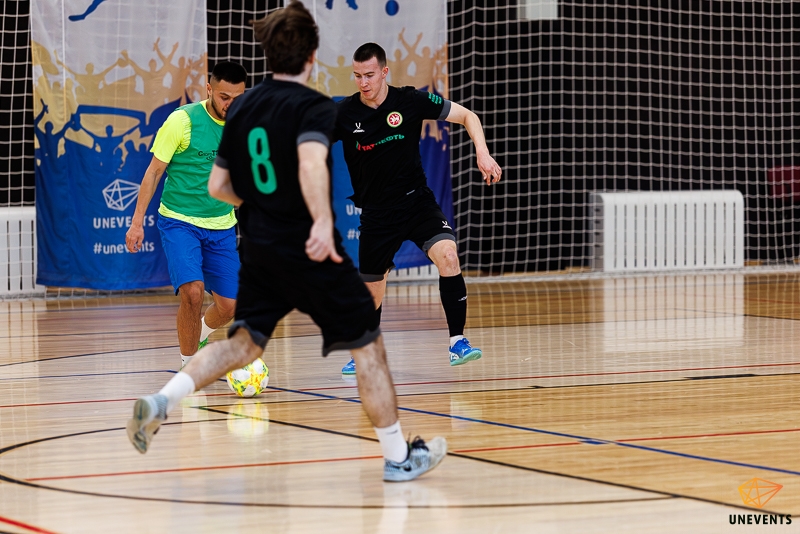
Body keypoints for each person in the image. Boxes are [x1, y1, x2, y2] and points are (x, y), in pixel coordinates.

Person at [126, 0, 446, 483]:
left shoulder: (243, 108)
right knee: (368, 346)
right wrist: (319, 221)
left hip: (261, 248)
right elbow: (313, 164)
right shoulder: (312, 106)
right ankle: (398, 456)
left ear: (269, 55)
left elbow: (220, 186)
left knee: (243, 343)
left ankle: (161, 401)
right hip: (307, 247)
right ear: (311, 57)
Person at [333, 42, 502, 375]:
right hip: (377, 213)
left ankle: (457, 342)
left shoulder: (409, 101)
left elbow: (467, 116)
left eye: (369, 75)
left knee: (449, 255)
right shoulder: (344, 113)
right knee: (372, 288)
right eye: (357, 76)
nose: (363, 82)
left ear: (384, 72)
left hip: (416, 202)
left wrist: (482, 153)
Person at [125, 61, 247, 368]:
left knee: (230, 306)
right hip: (180, 221)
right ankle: (188, 365)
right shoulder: (182, 121)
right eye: (224, 97)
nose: (231, 104)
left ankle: (200, 333)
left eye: (238, 97)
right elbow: (154, 172)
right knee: (193, 293)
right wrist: (137, 223)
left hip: (221, 225)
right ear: (209, 89)